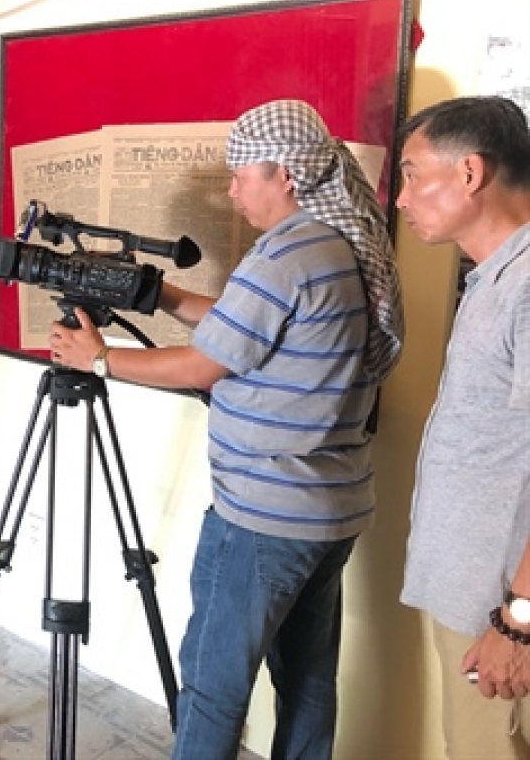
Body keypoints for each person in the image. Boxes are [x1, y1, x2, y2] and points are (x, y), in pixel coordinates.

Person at [49, 99, 404, 760]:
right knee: (307, 680)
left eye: (241, 176)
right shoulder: (329, 245)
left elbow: (205, 364)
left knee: (213, 684)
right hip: (328, 508)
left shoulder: (286, 254)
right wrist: (160, 294)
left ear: (286, 175)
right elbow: (249, 321)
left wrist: (96, 358)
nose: (233, 190)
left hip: (264, 516)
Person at [397, 96, 530, 759]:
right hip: (480, 597)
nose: (402, 198)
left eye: (412, 174)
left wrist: (519, 620)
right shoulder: (494, 278)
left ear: (470, 172)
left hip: (502, 611)